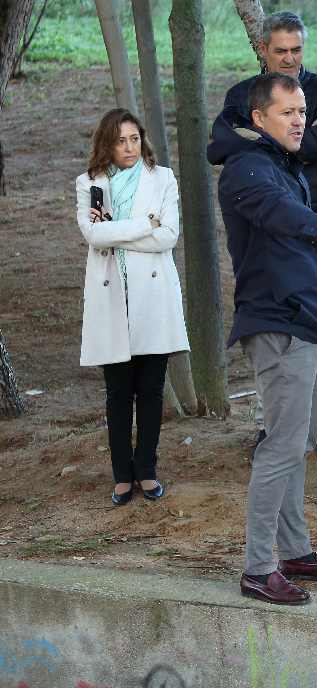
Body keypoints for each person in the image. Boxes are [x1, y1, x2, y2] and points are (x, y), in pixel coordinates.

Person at [210, 73, 317, 606]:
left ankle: (295, 551)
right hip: (279, 325)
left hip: (310, 323)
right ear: (258, 118)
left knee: (298, 444)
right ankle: (258, 568)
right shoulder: (246, 169)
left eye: (302, 111)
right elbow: (279, 211)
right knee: (279, 447)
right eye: (287, 112)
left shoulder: (282, 164)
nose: (300, 120)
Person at [215, 11, 317, 466]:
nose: (290, 59)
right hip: (263, 220)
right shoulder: (242, 93)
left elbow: (315, 145)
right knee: (272, 323)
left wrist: (263, 135)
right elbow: (217, 146)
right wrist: (273, 141)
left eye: (296, 50)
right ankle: (269, 424)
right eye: (280, 51)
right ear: (264, 51)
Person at [77, 109, 189, 506]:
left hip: (152, 297)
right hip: (112, 297)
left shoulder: (163, 179)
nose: (128, 148)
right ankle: (122, 475)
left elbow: (169, 237)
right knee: (118, 392)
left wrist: (116, 233)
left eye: (134, 139)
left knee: (151, 390)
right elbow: (93, 233)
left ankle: (148, 469)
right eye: (120, 141)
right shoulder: (89, 183)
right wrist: (145, 224)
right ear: (106, 144)